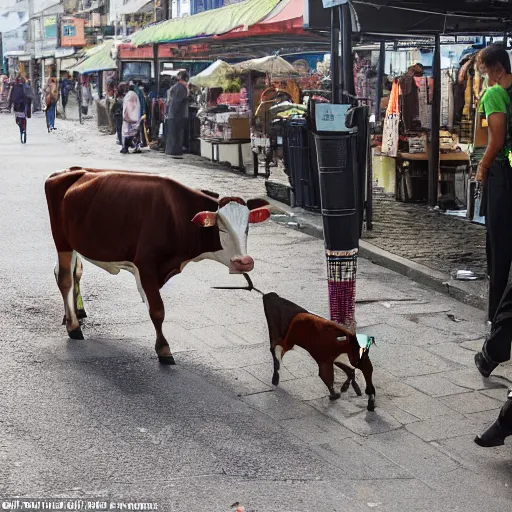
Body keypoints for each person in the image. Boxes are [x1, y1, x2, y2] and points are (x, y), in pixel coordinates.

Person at [473, 44, 512, 377]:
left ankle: (496, 324)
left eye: (484, 70)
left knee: (500, 252)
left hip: (503, 178)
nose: (483, 77)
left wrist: (483, 167)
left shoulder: (495, 94)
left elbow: (496, 140)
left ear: (497, 68)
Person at [165, 70, 189, 159]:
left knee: (174, 134)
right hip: (177, 115)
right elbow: (177, 102)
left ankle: (173, 150)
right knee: (176, 135)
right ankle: (174, 151)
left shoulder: (178, 87)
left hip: (174, 115)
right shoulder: (180, 88)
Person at [7, 74, 29, 143]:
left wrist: (9, 106)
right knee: (24, 118)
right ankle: (24, 129)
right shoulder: (25, 86)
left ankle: (21, 128)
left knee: (18, 120)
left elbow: (11, 97)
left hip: (17, 106)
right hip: (23, 106)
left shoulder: (14, 87)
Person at [121, 83, 141, 154]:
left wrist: (126, 117)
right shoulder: (134, 95)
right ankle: (132, 147)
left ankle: (125, 148)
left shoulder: (129, 95)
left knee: (127, 133)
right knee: (133, 132)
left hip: (130, 119)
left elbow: (127, 107)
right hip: (133, 119)